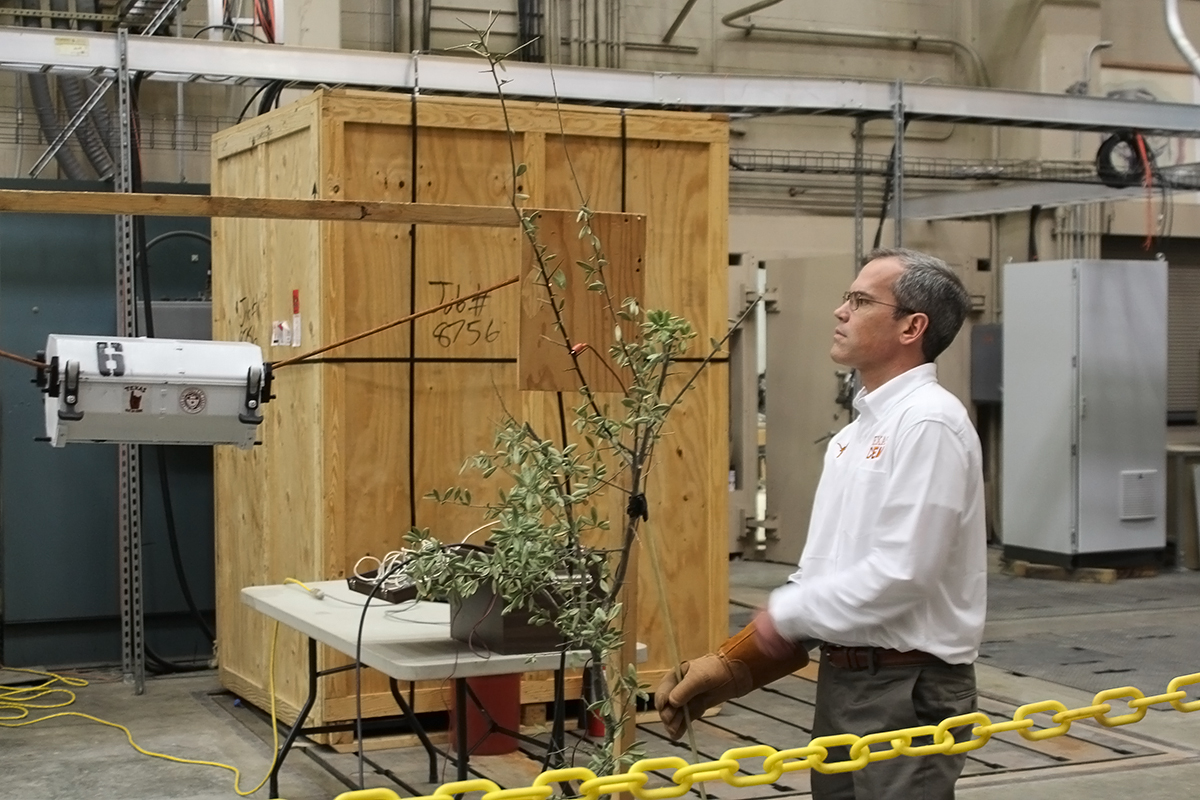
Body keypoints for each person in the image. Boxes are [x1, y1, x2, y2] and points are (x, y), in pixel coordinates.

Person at [657, 248, 987, 800]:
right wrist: (733, 664)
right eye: (845, 298)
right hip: (845, 681)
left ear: (912, 326)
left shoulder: (930, 422)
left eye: (859, 300)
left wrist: (783, 613)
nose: (840, 311)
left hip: (908, 687)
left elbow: (903, 574)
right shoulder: (850, 439)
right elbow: (822, 575)